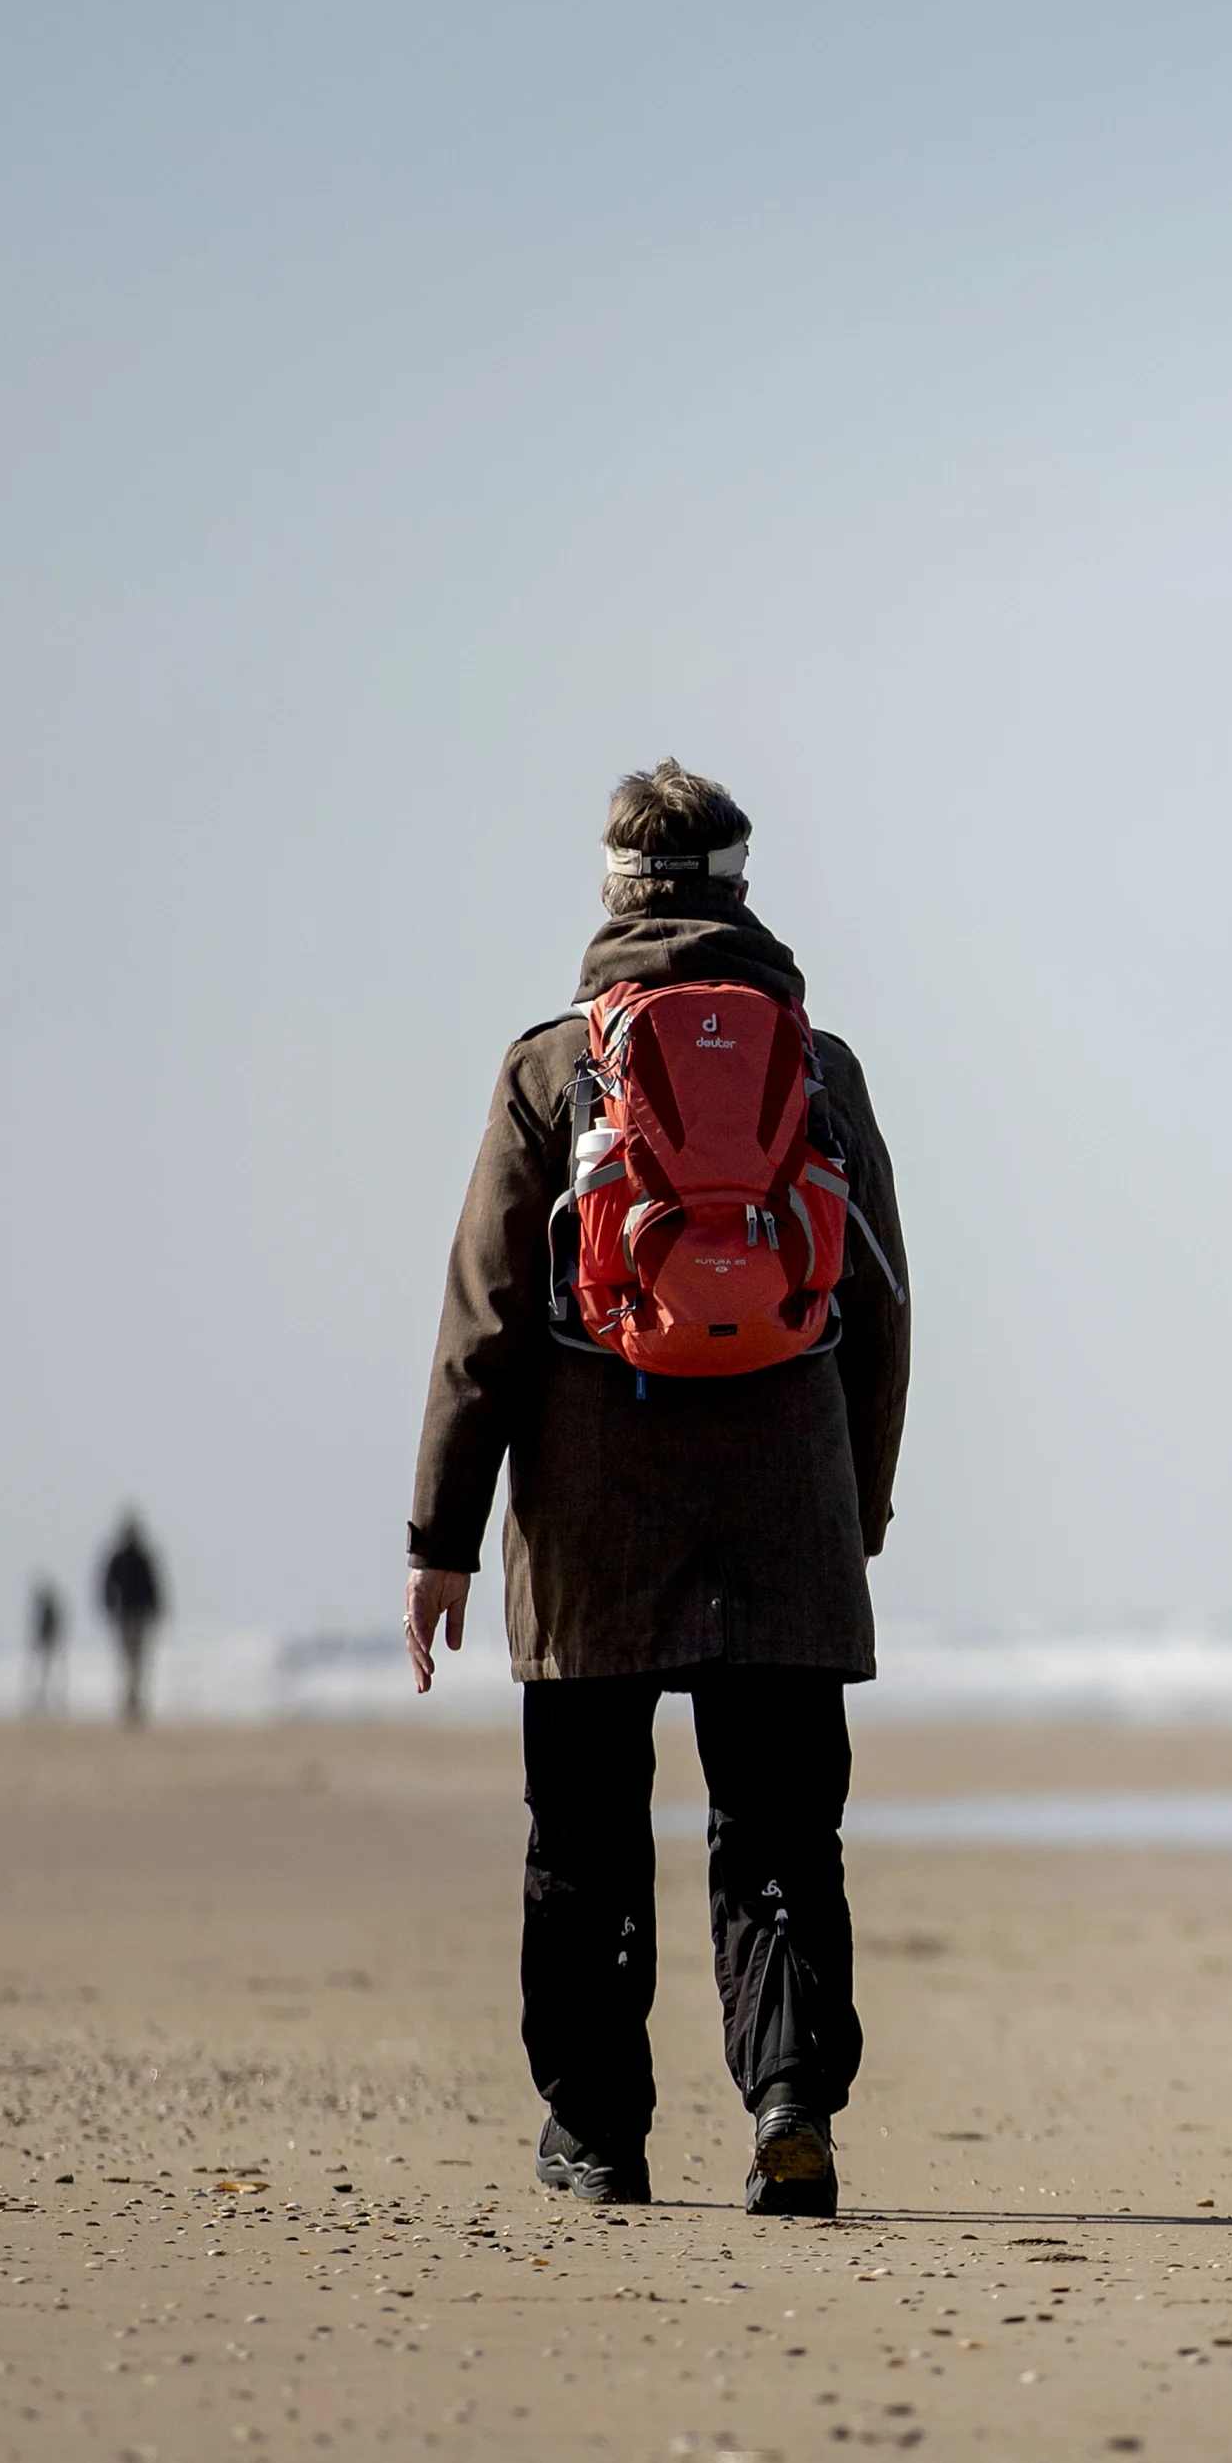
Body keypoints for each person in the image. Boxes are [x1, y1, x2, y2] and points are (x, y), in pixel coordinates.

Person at [401, 762, 911, 2216]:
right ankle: (792, 2108)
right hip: (783, 1508)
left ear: (614, 897)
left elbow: (487, 1320)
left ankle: (598, 2137)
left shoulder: (551, 1070)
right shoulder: (820, 1069)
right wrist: (853, 1509)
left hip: (589, 1518)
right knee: (778, 1833)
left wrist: (441, 1534)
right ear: (741, 891)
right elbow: (882, 1311)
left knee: (584, 1836)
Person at [95, 1514, 164, 1729]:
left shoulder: (142, 1557)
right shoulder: (123, 1558)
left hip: (137, 1615)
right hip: (126, 1615)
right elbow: (107, 1585)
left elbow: (154, 1587)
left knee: (136, 1662)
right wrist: (108, 1607)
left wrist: (156, 1610)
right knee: (130, 1662)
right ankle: (129, 1703)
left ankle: (134, 1703)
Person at [25, 1576, 64, 1719]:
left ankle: (47, 1700)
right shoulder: (47, 1608)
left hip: (48, 1643)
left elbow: (51, 1627)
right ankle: (41, 1700)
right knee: (42, 1673)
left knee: (47, 1673)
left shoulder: (48, 1609)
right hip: (46, 1643)